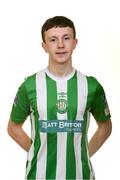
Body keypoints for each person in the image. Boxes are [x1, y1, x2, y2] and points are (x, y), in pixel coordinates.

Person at [7, 16, 112, 180]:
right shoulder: (30, 85)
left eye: (66, 38)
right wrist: (37, 151)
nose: (61, 45)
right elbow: (13, 128)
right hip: (39, 176)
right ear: (44, 46)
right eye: (53, 40)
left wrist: (84, 152)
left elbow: (105, 127)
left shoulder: (91, 86)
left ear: (75, 43)